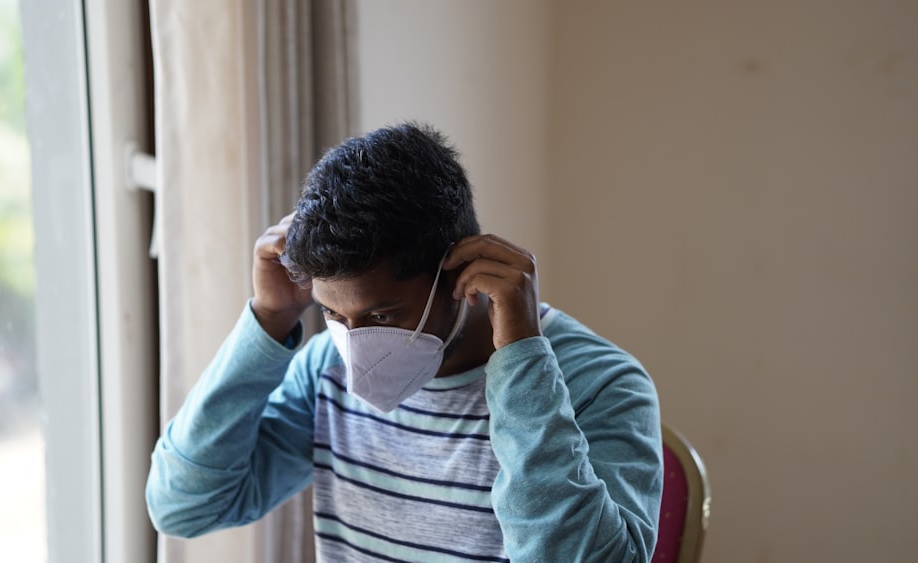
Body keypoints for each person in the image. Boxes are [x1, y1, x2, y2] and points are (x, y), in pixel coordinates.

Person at [146, 122, 663, 562]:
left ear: (461, 272)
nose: (356, 345)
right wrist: (267, 321)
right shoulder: (327, 366)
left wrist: (522, 362)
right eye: (331, 312)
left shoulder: (602, 383)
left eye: (382, 313)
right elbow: (184, 506)